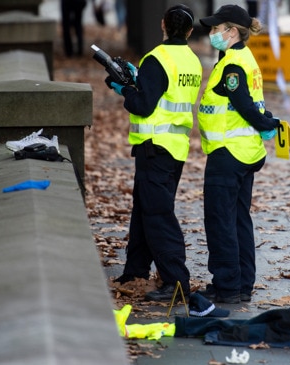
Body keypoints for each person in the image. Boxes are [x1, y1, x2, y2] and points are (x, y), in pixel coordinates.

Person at [105, 4, 202, 302]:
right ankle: (135, 271)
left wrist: (123, 89)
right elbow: (163, 94)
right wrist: (138, 82)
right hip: (174, 149)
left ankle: (176, 283)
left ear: (162, 25)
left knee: (158, 215)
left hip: (154, 147)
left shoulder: (156, 58)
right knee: (144, 210)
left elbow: (143, 105)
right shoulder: (192, 61)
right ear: (189, 31)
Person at [197, 5, 281, 304]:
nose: (211, 34)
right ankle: (242, 284)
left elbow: (244, 103)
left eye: (215, 29)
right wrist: (266, 123)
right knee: (238, 220)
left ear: (231, 32)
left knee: (220, 221)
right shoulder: (243, 57)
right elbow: (252, 102)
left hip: (228, 153)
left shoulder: (232, 64)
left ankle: (227, 286)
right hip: (245, 152)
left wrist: (265, 123)